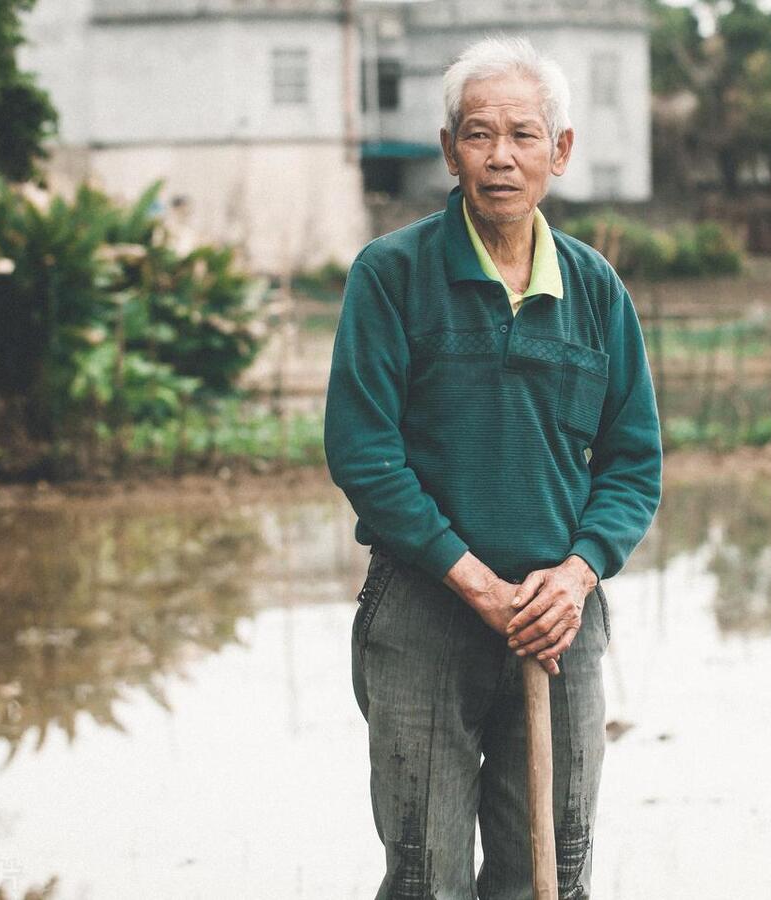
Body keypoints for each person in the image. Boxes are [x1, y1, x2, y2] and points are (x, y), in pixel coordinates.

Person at [324, 35, 661, 899]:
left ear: (561, 150)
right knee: (425, 873)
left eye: (522, 134)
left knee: (551, 869)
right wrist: (473, 578)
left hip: (560, 621)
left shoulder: (595, 291)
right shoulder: (391, 276)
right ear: (448, 151)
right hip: (425, 610)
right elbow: (363, 451)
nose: (500, 156)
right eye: (478, 134)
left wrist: (579, 575)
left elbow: (631, 463)